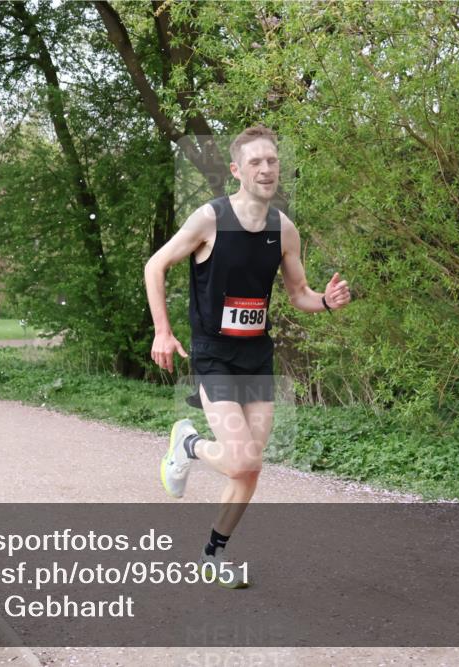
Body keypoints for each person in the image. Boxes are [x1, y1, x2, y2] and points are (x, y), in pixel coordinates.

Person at [144, 125, 351, 588]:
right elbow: (154, 265)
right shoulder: (210, 219)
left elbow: (299, 293)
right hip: (214, 354)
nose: (265, 168)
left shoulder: (283, 228)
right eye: (255, 162)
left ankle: (212, 553)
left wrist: (326, 301)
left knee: (250, 468)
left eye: (272, 161)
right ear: (237, 170)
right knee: (239, 460)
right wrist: (163, 330)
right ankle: (188, 444)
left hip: (257, 354)